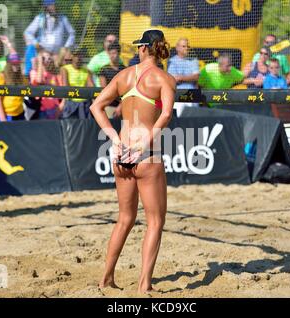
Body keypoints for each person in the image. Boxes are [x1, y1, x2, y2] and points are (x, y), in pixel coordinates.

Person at [89, 29, 175, 293]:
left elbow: (96, 107)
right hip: (146, 155)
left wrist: (114, 139)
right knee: (155, 222)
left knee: (125, 218)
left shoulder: (124, 75)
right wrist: (144, 143)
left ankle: (106, 278)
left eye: (139, 46)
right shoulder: (165, 79)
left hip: (121, 154)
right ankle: (144, 285)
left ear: (143, 49)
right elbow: (166, 116)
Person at [167, 38, 199, 117]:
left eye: (188, 46)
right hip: (179, 95)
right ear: (177, 47)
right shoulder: (172, 61)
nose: (186, 48)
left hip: (193, 96)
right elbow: (174, 79)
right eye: (184, 46)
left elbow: (196, 77)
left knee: (194, 120)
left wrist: (181, 78)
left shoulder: (193, 60)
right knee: (180, 120)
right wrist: (189, 78)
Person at [59, 48, 94, 119]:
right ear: (72, 56)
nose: (79, 57)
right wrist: (63, 102)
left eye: (81, 55)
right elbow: (66, 86)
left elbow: (91, 86)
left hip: (84, 102)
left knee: (84, 126)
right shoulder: (65, 69)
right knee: (69, 125)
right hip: (71, 102)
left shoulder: (87, 71)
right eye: (77, 55)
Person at [0, 53, 27, 121]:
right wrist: (3, 119)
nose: (16, 66)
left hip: (19, 114)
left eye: (17, 63)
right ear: (8, 64)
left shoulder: (21, 77)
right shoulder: (1, 77)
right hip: (6, 115)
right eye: (13, 64)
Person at [30, 49, 63, 119]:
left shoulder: (54, 74)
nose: (47, 60)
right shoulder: (34, 72)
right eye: (44, 58)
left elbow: (61, 91)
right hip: (41, 109)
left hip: (54, 108)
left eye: (49, 58)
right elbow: (39, 80)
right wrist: (40, 63)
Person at [98, 42, 126, 118]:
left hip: (124, 106)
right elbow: (104, 90)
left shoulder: (124, 69)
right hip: (109, 106)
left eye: (114, 53)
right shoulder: (104, 70)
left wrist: (121, 106)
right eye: (110, 53)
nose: (112, 56)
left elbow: (127, 90)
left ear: (119, 53)